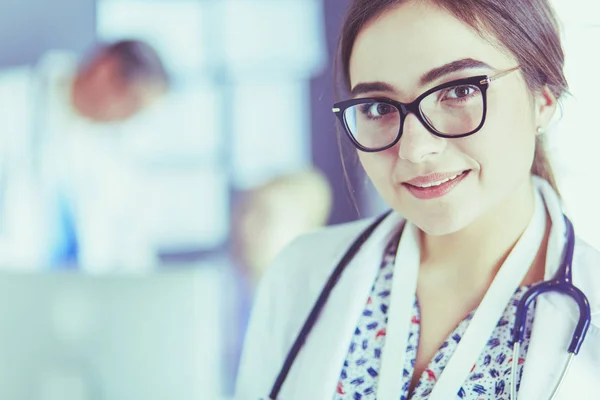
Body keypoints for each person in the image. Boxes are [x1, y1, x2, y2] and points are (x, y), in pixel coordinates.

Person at [235, 0, 600, 399]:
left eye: (459, 90)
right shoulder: (299, 275)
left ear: (544, 97)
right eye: (377, 107)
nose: (414, 148)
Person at [0, 39, 169, 270]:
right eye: (132, 105)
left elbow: (126, 236)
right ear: (105, 70)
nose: (128, 119)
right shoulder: (9, 104)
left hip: (72, 294)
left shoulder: (109, 152)